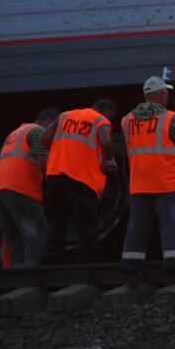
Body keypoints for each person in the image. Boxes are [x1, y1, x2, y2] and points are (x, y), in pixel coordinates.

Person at [119, 76, 175, 273]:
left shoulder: (127, 120)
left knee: (137, 225)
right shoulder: (170, 118)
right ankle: (172, 262)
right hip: (165, 181)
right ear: (162, 94)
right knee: (170, 222)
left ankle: (130, 263)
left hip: (139, 182)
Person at [41, 100, 118, 264]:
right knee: (87, 225)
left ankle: (52, 262)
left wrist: (57, 152)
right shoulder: (100, 120)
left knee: (57, 222)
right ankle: (89, 264)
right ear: (106, 111)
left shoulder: (65, 115)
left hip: (55, 176)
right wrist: (108, 159)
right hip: (81, 179)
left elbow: (44, 137)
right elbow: (105, 142)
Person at [0, 108, 58, 266]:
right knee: (37, 232)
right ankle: (31, 272)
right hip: (21, 188)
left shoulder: (16, 132)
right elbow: (42, 163)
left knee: (15, 238)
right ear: (51, 122)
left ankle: (17, 276)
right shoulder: (38, 131)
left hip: (0, 190)